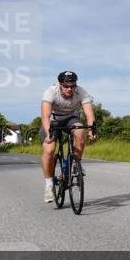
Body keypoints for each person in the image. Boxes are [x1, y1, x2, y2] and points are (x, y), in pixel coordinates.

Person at [40, 71, 97, 204]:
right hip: (53, 120)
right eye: (66, 86)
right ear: (60, 85)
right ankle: (49, 186)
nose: (70, 89)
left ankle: (75, 164)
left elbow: (89, 114)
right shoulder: (50, 92)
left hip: (71, 118)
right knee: (49, 148)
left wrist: (92, 129)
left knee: (81, 132)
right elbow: (45, 115)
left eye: (73, 86)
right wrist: (49, 133)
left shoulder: (81, 92)